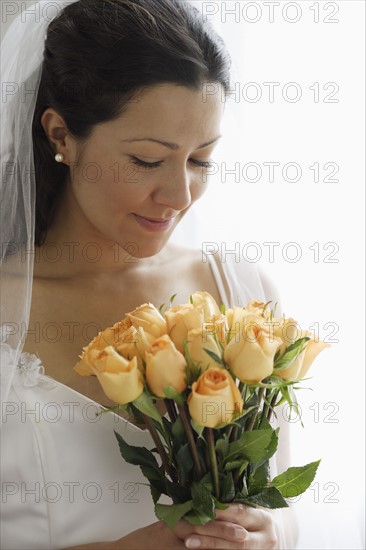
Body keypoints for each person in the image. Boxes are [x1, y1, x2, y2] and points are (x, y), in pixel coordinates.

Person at [0, 1, 298, 548]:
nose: (180, 196)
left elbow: (283, 505)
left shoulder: (243, 294)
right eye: (146, 160)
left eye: (200, 160)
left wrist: (267, 534)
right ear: (61, 135)